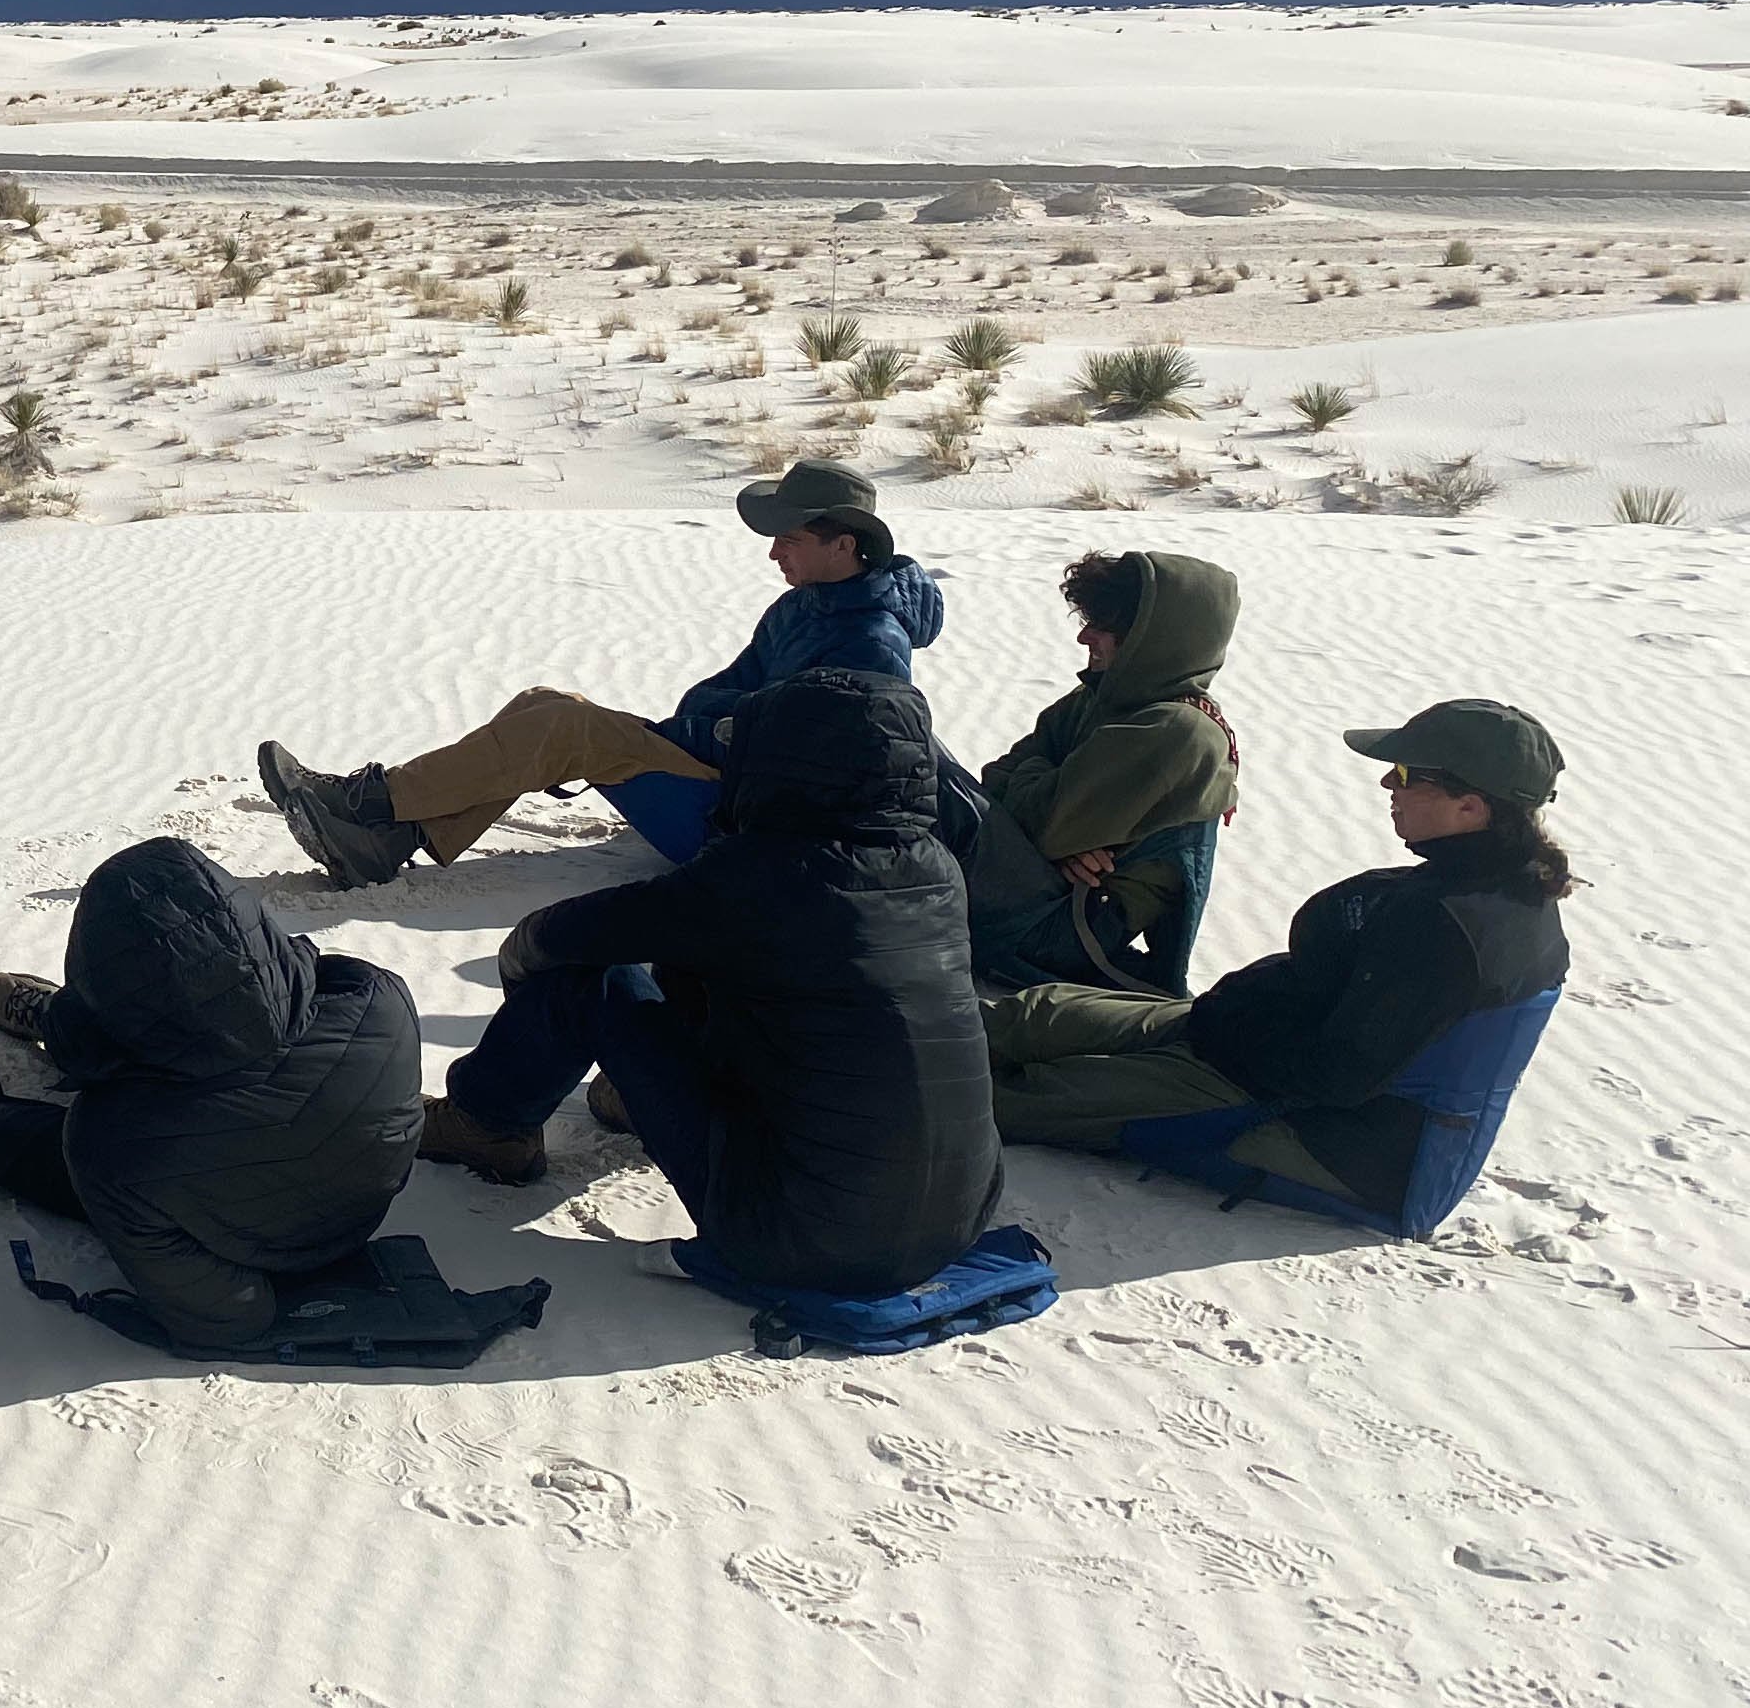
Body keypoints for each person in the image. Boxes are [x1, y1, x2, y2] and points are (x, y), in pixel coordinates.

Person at [420, 667, 1006, 1302]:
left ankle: (487, 1124)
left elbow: (570, 937)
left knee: (590, 980)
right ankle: (629, 1097)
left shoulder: (760, 876)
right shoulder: (939, 873)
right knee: (726, 969)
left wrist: (522, 964)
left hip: (792, 1235)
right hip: (958, 1222)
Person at [985, 700, 1572, 1219]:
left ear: (1470, 808)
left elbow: (1337, 1075)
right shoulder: (1470, 884)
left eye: (1405, 775)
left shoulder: (1452, 931)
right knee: (1042, 1014)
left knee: (1026, 1094)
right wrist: (1224, 1017)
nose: (1388, 786)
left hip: (1320, 1132)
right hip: (1245, 1046)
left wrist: (1226, 1027)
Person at [258, 460, 944, 882]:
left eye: (788, 540)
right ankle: (401, 837)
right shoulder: (805, 608)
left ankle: (367, 804)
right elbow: (724, 693)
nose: (773, 555)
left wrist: (709, 729)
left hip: (743, 822)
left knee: (567, 729)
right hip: (717, 765)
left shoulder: (871, 643)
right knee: (546, 703)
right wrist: (710, 723)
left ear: (843, 545)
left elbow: (813, 760)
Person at [0, 836, 427, 1350]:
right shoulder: (379, 996)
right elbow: (299, 970)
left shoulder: (107, 1145)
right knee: (209, 1007)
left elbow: (221, 1319)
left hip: (227, 1223)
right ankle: (63, 1017)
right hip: (357, 1213)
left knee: (18, 1135)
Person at [965, 549, 1241, 988]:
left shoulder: (1175, 730)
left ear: (1152, 637)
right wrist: (1062, 833)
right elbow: (995, 778)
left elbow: (1041, 821)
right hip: (1044, 894)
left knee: (928, 780)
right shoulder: (1103, 700)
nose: (1084, 637)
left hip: (1064, 932)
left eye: (1103, 626)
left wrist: (1053, 824)